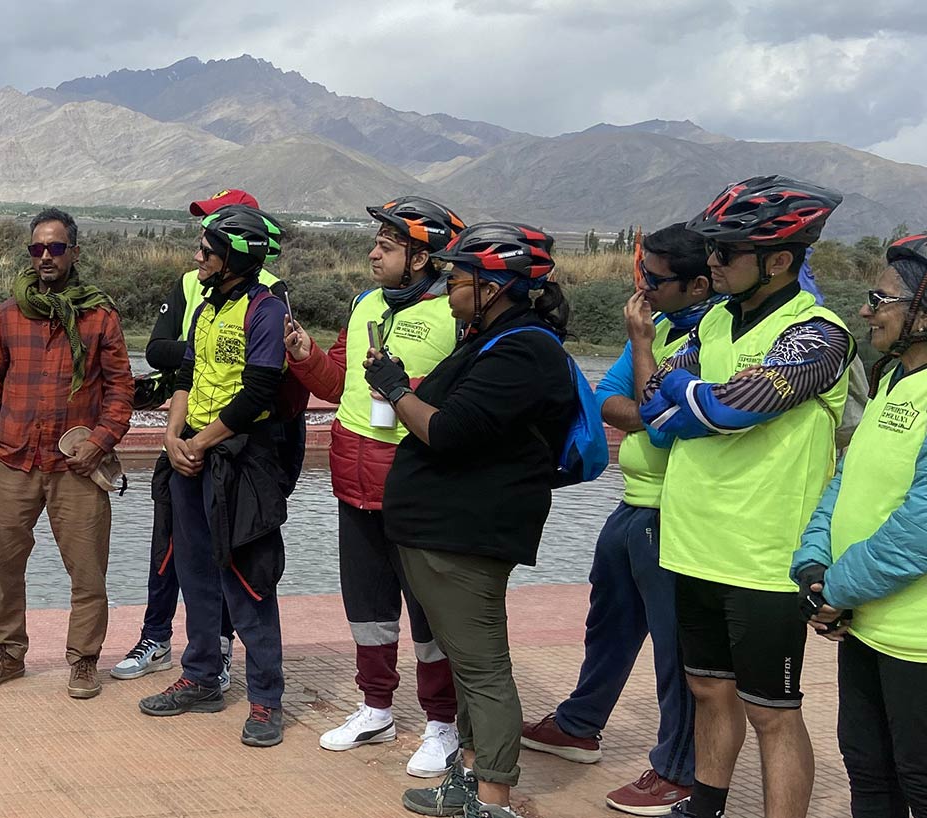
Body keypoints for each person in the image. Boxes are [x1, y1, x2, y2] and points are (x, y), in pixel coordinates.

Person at [641, 176, 851, 818]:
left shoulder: (819, 333)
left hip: (766, 556)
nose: (711, 262)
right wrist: (697, 400)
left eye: (725, 253)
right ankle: (704, 806)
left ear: (779, 259)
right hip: (692, 542)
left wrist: (699, 400)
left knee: (772, 712)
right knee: (707, 688)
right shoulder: (713, 323)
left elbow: (736, 407)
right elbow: (655, 405)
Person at [376, 222, 578, 818]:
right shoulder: (490, 339)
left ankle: (493, 795)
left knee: (483, 666)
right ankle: (466, 781)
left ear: (492, 287)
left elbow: (447, 431)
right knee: (468, 663)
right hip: (442, 530)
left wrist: (391, 387)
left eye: (456, 277)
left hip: (465, 536)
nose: (446, 288)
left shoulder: (524, 349)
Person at [519, 224, 713, 815]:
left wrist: (646, 362)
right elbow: (610, 400)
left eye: (654, 279)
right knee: (608, 624)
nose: (643, 288)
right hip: (633, 501)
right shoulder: (657, 329)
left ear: (698, 284)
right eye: (640, 275)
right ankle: (580, 723)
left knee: (675, 651)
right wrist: (652, 407)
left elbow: (662, 412)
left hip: (675, 512)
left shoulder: (707, 333)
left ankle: (678, 768)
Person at [285, 195, 465, 777]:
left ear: (419, 258)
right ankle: (376, 708)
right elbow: (338, 385)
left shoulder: (456, 314)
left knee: (429, 615)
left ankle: (443, 725)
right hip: (352, 479)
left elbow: (463, 405)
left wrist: (409, 387)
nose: (373, 254)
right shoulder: (364, 302)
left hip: (419, 488)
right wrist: (306, 355)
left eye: (385, 247)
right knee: (367, 607)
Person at [133, 204, 291, 747]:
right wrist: (173, 438)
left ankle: (267, 699)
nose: (197, 258)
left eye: (207, 250)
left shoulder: (265, 310)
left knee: (248, 578)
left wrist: (199, 442)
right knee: (195, 572)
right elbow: (185, 374)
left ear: (234, 257)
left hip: (240, 461)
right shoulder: (204, 309)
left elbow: (260, 390)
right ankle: (201, 677)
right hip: (192, 458)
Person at [0, 207, 134, 699]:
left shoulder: (99, 315)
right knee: (6, 566)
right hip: (15, 461)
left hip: (76, 467)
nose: (45, 257)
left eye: (55, 248)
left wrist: (100, 443)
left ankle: (84, 660)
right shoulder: (9, 313)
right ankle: (8, 653)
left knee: (87, 570)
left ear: (73, 253)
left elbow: (121, 391)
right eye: (37, 248)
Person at [794, 233, 927, 818]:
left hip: (917, 644)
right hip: (866, 627)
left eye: (883, 298)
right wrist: (815, 566)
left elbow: (918, 529)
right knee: (869, 778)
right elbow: (843, 482)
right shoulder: (891, 381)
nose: (867, 310)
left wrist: (839, 589)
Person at [112, 189, 262, 692]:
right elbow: (158, 351)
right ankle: (158, 639)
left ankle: (220, 653)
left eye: (211, 227)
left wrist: (206, 351)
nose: (198, 245)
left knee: (230, 555)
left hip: (237, 446)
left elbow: (266, 379)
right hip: (181, 437)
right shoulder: (190, 285)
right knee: (173, 548)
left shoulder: (268, 294)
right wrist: (196, 352)